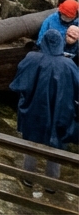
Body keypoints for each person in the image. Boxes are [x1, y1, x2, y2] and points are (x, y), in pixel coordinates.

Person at [10, 28, 79, 189]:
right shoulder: (68, 65)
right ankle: (51, 184)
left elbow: (18, 84)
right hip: (61, 111)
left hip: (35, 110)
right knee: (57, 146)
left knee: (32, 143)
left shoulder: (31, 59)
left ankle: (28, 177)